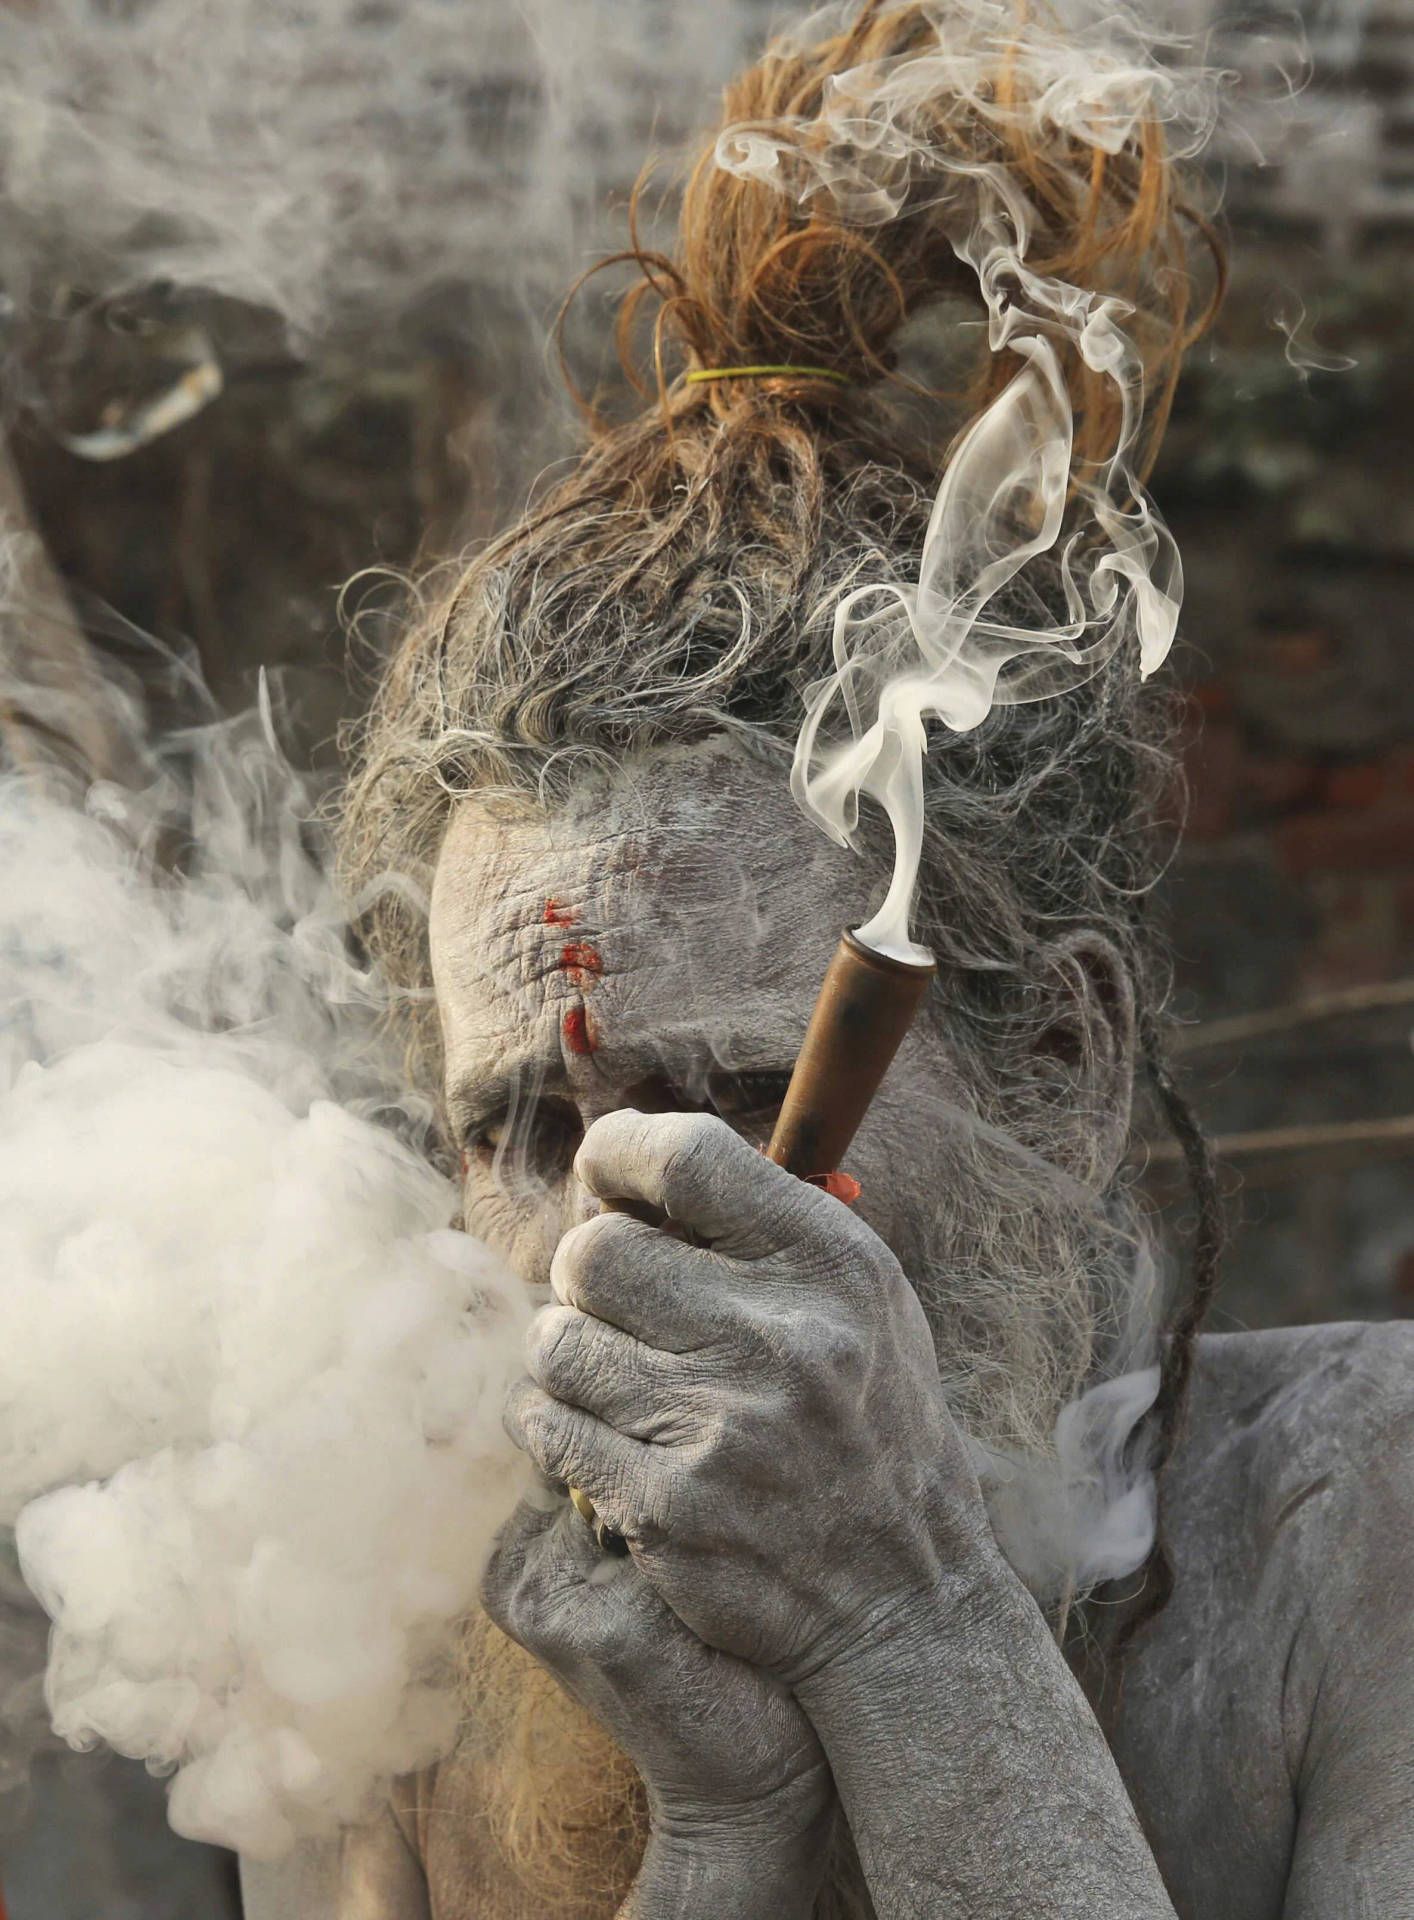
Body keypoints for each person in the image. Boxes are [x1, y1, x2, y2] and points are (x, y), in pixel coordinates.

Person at [243, 5, 1414, 1914]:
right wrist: (718, 1835)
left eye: (734, 1095)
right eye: (527, 1131)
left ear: (1060, 1061)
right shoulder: (388, 1690)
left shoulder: (1362, 1514)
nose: (606, 1253)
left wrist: (908, 1625)